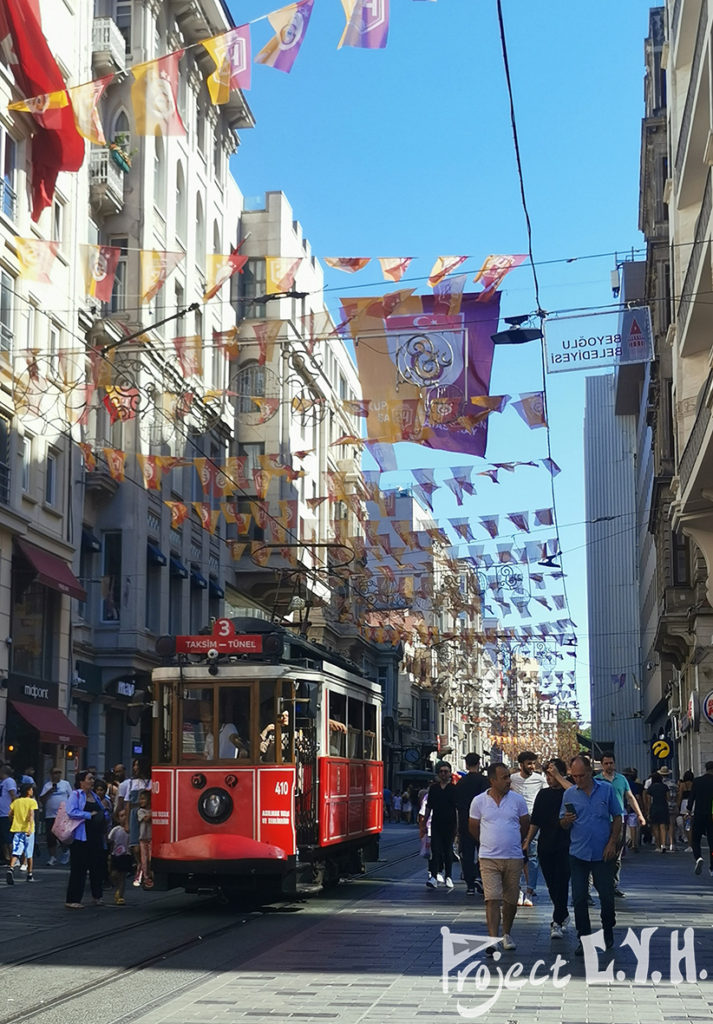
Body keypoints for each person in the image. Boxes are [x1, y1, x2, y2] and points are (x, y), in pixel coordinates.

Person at [560, 754, 623, 956]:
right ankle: (584, 938)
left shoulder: (606, 790)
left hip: (603, 852)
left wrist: (612, 842)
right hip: (578, 852)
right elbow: (561, 822)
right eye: (574, 776)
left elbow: (617, 817)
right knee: (579, 898)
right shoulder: (569, 794)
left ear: (590, 772)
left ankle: (608, 928)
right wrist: (566, 821)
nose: (578, 780)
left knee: (606, 895)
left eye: (581, 775)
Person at [468, 763, 530, 953]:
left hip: (513, 857)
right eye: (504, 778)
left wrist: (513, 841)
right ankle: (492, 938)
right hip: (488, 858)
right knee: (492, 898)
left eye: (508, 777)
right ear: (492, 780)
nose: (508, 781)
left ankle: (507, 933)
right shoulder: (479, 801)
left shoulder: (517, 800)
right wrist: (486, 842)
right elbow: (473, 826)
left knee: (511, 900)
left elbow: (525, 824)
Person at [525, 758, 572, 938]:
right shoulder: (543, 795)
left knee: (562, 882)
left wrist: (559, 776)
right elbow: (535, 821)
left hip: (566, 844)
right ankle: (563, 913)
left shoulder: (569, 791)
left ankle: (557, 921)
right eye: (547, 775)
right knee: (552, 884)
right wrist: (527, 841)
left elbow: (575, 792)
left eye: (552, 774)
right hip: (546, 844)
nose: (549, 778)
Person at [594, 753, 645, 895]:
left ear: (614, 764)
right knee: (599, 853)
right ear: (602, 765)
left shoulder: (621, 779)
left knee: (616, 854)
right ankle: (598, 884)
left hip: (618, 820)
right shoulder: (596, 780)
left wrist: (640, 815)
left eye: (611, 763)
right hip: (602, 821)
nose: (609, 766)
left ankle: (613, 885)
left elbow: (630, 797)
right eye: (606, 763)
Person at [64, 770, 111, 909]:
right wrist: (88, 815)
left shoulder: (95, 796)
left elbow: (102, 810)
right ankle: (73, 899)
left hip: (96, 836)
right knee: (79, 868)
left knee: (97, 867)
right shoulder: (76, 794)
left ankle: (97, 896)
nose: (92, 781)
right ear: (81, 781)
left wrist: (104, 815)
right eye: (89, 779)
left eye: (92, 779)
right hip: (81, 837)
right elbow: (71, 811)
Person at [509, 751, 546, 906]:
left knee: (532, 855)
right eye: (529, 763)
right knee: (515, 856)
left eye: (533, 763)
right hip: (516, 821)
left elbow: (545, 796)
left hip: (534, 821)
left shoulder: (540, 779)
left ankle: (530, 891)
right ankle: (517, 890)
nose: (532, 766)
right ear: (521, 764)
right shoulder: (512, 779)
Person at [455, 752, 487, 895]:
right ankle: (480, 876)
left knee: (467, 854)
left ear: (466, 765)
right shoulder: (484, 781)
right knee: (484, 851)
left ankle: (470, 883)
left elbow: (457, 805)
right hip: (482, 822)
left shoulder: (461, 783)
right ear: (479, 764)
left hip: (465, 822)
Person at [115, 758, 150, 883]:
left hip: (146, 812)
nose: (135, 768)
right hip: (134, 813)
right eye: (134, 765)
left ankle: (145, 867)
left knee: (145, 842)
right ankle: (139, 863)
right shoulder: (132, 783)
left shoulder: (150, 782)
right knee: (134, 846)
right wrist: (126, 821)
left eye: (137, 765)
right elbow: (128, 803)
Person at [423, 762, 458, 889]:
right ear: (438, 774)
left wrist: (457, 828)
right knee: (435, 851)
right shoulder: (434, 788)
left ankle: (449, 876)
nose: (444, 774)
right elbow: (429, 806)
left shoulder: (454, 789)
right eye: (441, 771)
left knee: (448, 851)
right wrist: (424, 823)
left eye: (446, 771)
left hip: (450, 825)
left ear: (450, 773)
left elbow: (457, 809)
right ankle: (433, 876)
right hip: (436, 824)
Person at [39, 768, 72, 866]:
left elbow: (71, 797)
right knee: (50, 836)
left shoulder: (65, 784)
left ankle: (66, 851)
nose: (57, 775)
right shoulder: (47, 786)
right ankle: (52, 857)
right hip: (50, 815)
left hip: (62, 814)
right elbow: (42, 799)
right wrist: (49, 791)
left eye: (59, 772)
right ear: (51, 774)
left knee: (63, 836)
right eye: (55, 773)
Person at [7, 782, 38, 884]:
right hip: (28, 830)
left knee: (16, 850)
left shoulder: (16, 802)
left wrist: (13, 821)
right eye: (31, 789)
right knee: (29, 853)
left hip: (17, 829)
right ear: (28, 791)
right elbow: (31, 815)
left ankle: (11, 868)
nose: (32, 791)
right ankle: (29, 874)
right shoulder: (32, 802)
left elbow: (9, 814)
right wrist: (29, 827)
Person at [688, 761, 713, 875]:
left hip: (699, 813)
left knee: (695, 839)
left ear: (705, 768)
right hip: (712, 815)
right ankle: (712, 867)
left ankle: (698, 857)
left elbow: (691, 797)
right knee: (712, 842)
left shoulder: (697, 781)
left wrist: (688, 810)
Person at [108, 808, 132, 905]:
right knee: (113, 874)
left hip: (126, 855)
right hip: (115, 855)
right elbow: (110, 841)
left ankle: (120, 895)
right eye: (121, 816)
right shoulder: (116, 830)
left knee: (122, 876)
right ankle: (117, 887)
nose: (124, 818)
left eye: (125, 815)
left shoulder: (130, 830)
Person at [645, 771, 669, 852]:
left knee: (655, 827)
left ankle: (658, 846)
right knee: (663, 826)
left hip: (654, 807)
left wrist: (648, 812)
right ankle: (664, 844)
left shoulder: (650, 788)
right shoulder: (665, 787)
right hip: (664, 807)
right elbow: (668, 798)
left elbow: (648, 801)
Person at [0, 764, 17, 864]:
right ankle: (6, 857)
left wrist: (14, 810)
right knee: (3, 837)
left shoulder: (9, 781)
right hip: (1, 813)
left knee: (8, 836)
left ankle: (13, 857)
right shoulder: (2, 782)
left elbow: (13, 795)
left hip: (7, 813)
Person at [136, 789, 153, 889]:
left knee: (150, 858)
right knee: (144, 859)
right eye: (140, 799)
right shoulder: (140, 811)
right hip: (143, 839)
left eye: (143, 799)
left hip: (151, 838)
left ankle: (150, 874)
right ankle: (145, 877)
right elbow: (146, 819)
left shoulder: (149, 811)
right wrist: (152, 814)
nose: (141, 801)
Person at [678, 770, 695, 851]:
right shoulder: (694, 784)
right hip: (694, 803)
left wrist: (678, 806)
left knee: (688, 825)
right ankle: (694, 842)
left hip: (685, 804)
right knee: (694, 824)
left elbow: (680, 796)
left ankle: (689, 844)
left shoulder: (682, 785)